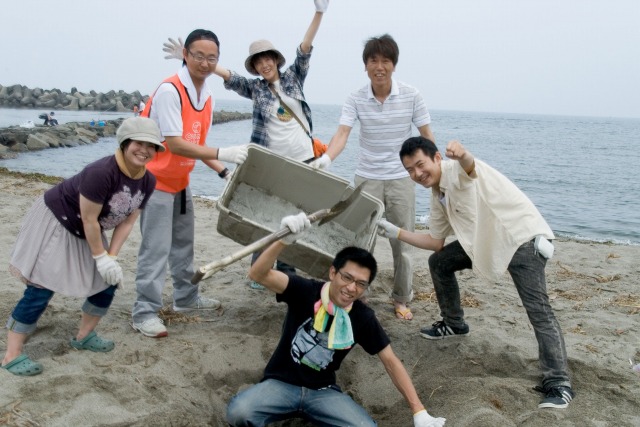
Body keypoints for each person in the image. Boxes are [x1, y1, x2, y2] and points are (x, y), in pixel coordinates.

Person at [377, 136, 575, 409]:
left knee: (539, 311)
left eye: (420, 165)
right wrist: (396, 232)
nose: (417, 174)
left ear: (437, 158)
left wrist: (463, 154)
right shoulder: (437, 193)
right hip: (486, 242)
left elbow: (469, 167)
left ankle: (559, 383)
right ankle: (454, 324)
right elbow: (435, 242)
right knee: (440, 262)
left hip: (520, 240)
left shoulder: (456, 170)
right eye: (410, 170)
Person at [162, 0, 329, 285]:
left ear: (276, 59)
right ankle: (259, 270)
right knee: (270, 217)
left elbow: (304, 48)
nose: (264, 64)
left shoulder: (294, 78)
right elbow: (230, 76)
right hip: (274, 165)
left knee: (298, 216)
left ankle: (285, 272)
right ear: (255, 66)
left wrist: (319, 12)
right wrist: (189, 59)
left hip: (305, 162)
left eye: (268, 59)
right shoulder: (255, 88)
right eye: (258, 61)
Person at [225, 212, 446, 426]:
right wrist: (283, 241)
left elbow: (391, 361)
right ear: (333, 273)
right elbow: (258, 274)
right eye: (347, 277)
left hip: (322, 392)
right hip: (281, 383)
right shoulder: (305, 290)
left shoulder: (362, 316)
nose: (351, 288)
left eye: (361, 284)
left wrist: (419, 411)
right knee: (239, 413)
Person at [1, 117, 164, 376]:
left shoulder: (148, 181)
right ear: (124, 143)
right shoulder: (101, 172)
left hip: (89, 229)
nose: (144, 150)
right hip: (59, 219)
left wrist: (111, 257)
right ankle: (12, 354)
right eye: (138, 143)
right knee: (41, 287)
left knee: (108, 282)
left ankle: (84, 336)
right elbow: (89, 219)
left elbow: (127, 222)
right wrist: (100, 257)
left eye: (152, 146)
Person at [131, 28, 248, 339]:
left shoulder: (206, 95)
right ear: (185, 54)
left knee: (184, 246)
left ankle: (186, 299)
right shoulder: (170, 91)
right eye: (198, 56)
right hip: (155, 182)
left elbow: (197, 143)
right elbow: (176, 144)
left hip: (181, 182)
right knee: (155, 249)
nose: (205, 63)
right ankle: (144, 312)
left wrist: (223, 171)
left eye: (212, 58)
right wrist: (224, 152)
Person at [310, 34, 435, 321]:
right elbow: (342, 133)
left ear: (394, 64)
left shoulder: (412, 95)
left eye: (385, 61)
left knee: (403, 243)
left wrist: (436, 173)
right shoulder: (356, 98)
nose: (379, 67)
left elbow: (427, 135)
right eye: (373, 61)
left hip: (401, 178)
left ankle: (401, 298)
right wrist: (326, 159)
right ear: (365, 65)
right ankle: (358, 293)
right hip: (367, 178)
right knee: (361, 241)